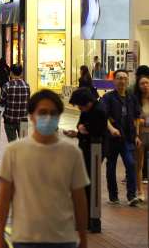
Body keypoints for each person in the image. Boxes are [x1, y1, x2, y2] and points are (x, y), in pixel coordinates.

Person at [0, 89, 89, 248]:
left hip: (63, 239)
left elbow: (79, 199)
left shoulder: (72, 153)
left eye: (53, 113)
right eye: (43, 112)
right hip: (25, 238)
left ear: (59, 117)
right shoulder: (14, 151)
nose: (48, 117)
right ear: (31, 116)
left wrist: (83, 239)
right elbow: (4, 197)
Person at [66, 87, 108, 226]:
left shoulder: (99, 110)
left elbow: (95, 132)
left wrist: (82, 130)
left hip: (95, 151)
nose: (78, 108)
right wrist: (80, 130)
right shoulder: (87, 110)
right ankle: (83, 217)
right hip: (84, 149)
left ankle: (90, 219)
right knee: (83, 183)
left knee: (89, 183)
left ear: (86, 102)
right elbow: (81, 125)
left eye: (79, 104)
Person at [101, 69, 141, 206]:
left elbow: (136, 118)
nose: (122, 81)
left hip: (127, 138)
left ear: (128, 80)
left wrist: (136, 135)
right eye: (119, 78)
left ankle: (131, 196)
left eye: (124, 78)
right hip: (112, 139)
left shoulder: (131, 98)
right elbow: (103, 117)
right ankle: (113, 196)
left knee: (130, 164)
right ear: (114, 81)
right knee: (111, 167)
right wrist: (111, 129)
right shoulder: (108, 98)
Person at [0, 65, 31, 142]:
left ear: (11, 73)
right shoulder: (27, 86)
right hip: (23, 119)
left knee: (12, 143)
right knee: (23, 144)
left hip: (10, 119)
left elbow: (1, 103)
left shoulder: (7, 86)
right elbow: (28, 101)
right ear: (21, 73)